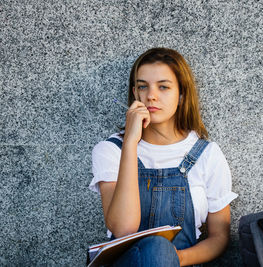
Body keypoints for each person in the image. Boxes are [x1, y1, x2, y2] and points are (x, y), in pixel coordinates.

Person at [89, 47, 238, 266]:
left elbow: (220, 237)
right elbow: (123, 228)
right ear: (134, 93)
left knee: (160, 250)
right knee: (156, 248)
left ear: (181, 95)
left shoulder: (207, 154)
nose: (151, 95)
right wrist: (130, 142)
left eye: (163, 87)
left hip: (182, 263)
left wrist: (172, 259)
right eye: (143, 86)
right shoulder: (111, 151)